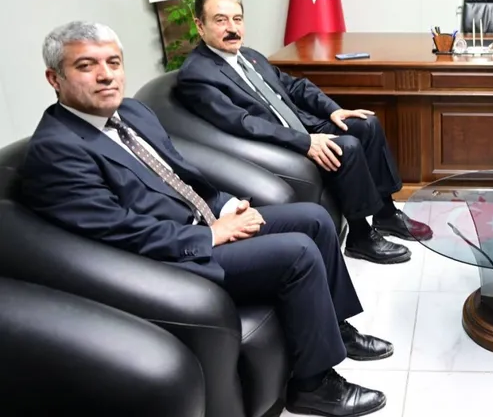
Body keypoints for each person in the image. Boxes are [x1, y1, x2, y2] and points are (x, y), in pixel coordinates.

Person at [19, 21, 390, 417]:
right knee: (297, 253)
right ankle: (313, 385)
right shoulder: (56, 150)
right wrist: (211, 234)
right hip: (167, 257)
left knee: (314, 219)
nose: (106, 75)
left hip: (201, 222)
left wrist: (225, 205)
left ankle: (335, 329)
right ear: (54, 79)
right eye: (86, 65)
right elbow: (117, 230)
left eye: (113, 62)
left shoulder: (131, 111)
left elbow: (179, 173)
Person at [175, 0, 434, 267]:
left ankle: (386, 214)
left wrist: (333, 110)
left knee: (365, 124)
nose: (232, 28)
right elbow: (242, 123)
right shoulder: (197, 74)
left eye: (237, 19)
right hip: (277, 146)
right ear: (200, 26)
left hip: (301, 125)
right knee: (345, 146)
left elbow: (294, 86)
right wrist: (305, 141)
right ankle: (360, 237)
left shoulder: (248, 55)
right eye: (221, 20)